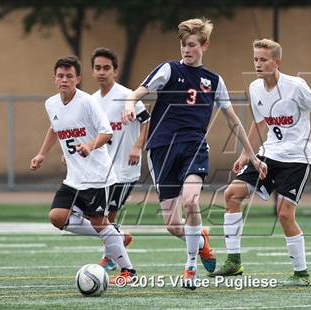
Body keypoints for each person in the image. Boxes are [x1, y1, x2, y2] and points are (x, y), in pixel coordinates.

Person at [121, 18, 267, 290]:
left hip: (194, 147)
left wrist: (252, 155)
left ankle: (189, 267)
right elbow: (137, 92)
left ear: (204, 45)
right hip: (161, 149)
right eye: (183, 44)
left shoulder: (214, 80)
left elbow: (233, 120)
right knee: (173, 225)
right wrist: (130, 104)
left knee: (191, 201)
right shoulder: (169, 69)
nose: (186, 50)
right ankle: (200, 242)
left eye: (191, 45)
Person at [208, 39, 311, 286]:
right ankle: (233, 261)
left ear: (277, 62)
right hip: (268, 154)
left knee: (285, 214)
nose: (258, 64)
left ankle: (301, 274)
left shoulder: (295, 86)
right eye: (255, 59)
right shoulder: (255, 88)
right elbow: (258, 121)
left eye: (263, 59)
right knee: (232, 194)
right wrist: (246, 153)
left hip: (297, 159)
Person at [30, 56, 136, 283]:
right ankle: (114, 235)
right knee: (57, 217)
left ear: (78, 79)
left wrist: (89, 145)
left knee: (99, 223)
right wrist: (41, 154)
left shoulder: (88, 101)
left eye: (69, 76)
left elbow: (106, 132)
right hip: (74, 178)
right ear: (54, 79)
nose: (64, 80)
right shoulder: (51, 104)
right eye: (60, 76)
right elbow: (54, 128)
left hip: (98, 177)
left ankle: (128, 270)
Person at [90, 47, 150, 272]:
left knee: (109, 213)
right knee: (97, 214)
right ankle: (120, 239)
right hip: (103, 169)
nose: (102, 72)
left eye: (106, 68)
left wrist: (137, 146)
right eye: (97, 68)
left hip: (126, 168)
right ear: (93, 72)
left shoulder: (127, 95)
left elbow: (146, 121)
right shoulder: (92, 100)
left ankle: (110, 256)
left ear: (115, 71)